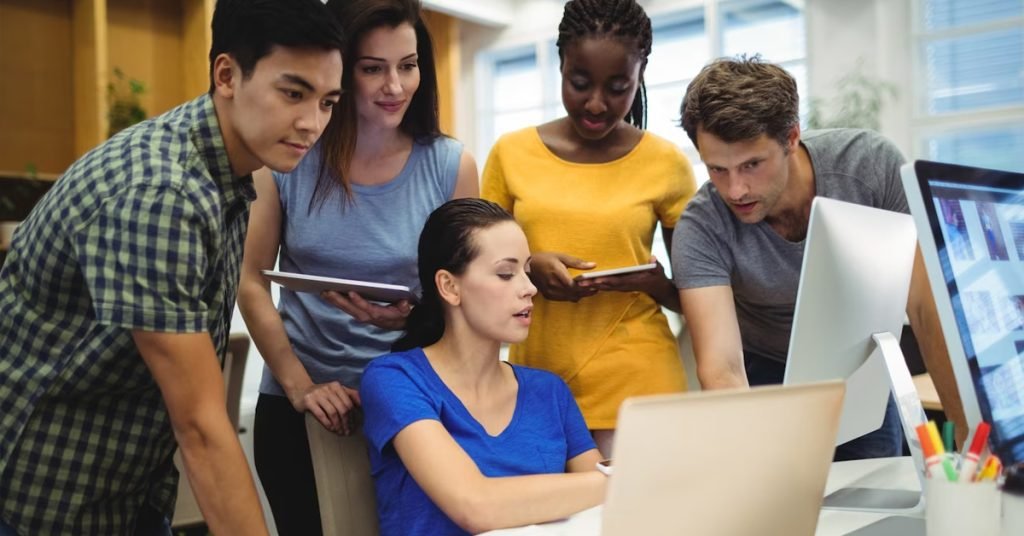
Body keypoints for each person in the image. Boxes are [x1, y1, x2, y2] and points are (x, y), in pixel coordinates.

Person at [0, 1, 344, 535]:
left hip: (127, 483)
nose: (312, 123)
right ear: (226, 75)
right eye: (293, 93)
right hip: (47, 492)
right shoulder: (163, 193)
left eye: (327, 102)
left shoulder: (227, 171)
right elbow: (202, 426)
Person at [236, 0, 477, 533]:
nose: (395, 85)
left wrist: (413, 319)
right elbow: (250, 280)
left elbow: (467, 301)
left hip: (412, 405)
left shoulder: (448, 164)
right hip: (299, 407)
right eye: (373, 68)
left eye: (408, 65)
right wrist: (301, 387)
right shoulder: (290, 160)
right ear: (340, 68)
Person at [672, 56, 967, 458]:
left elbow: (927, 310)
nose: (736, 189)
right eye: (717, 169)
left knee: (879, 499)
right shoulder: (702, 226)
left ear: (791, 137)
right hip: (763, 377)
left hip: (859, 371)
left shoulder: (869, 167)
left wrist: (970, 445)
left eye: (752, 165)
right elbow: (722, 369)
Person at [481, 0, 697, 456]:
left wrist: (656, 284)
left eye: (618, 87)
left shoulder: (666, 163)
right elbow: (477, 271)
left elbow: (696, 299)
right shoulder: (511, 154)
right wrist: (528, 266)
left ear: (640, 76)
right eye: (579, 83)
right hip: (535, 380)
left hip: (641, 380)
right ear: (560, 65)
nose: (597, 103)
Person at [360, 198, 606, 535]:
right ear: (449, 286)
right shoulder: (395, 380)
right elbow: (476, 506)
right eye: (506, 274)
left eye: (527, 271)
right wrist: (616, 480)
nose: (529, 288)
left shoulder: (549, 390)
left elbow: (612, 504)